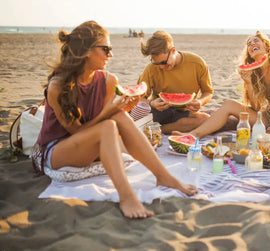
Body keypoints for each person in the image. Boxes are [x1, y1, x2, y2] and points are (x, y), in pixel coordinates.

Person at [35, 21, 197, 219]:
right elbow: (78, 131)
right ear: (86, 51)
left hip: (89, 145)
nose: (111, 55)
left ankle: (163, 176)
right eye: (106, 49)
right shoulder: (57, 86)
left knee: (117, 117)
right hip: (57, 151)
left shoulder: (108, 81)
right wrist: (108, 113)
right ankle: (126, 196)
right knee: (109, 123)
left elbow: (106, 124)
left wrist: (125, 110)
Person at [174, 31, 270, 141]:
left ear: (266, 46)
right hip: (267, 118)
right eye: (249, 44)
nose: (251, 44)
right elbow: (256, 107)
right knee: (229, 104)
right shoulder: (254, 72)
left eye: (256, 41)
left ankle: (265, 135)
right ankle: (193, 136)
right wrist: (248, 82)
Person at [138, 30, 213, 134]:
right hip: (159, 112)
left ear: (173, 50)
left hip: (183, 112)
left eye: (164, 62)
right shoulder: (151, 69)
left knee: (206, 119)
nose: (161, 67)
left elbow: (208, 92)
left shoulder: (197, 63)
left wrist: (200, 102)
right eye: (157, 63)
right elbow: (139, 98)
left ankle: (158, 130)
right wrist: (151, 103)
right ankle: (154, 128)